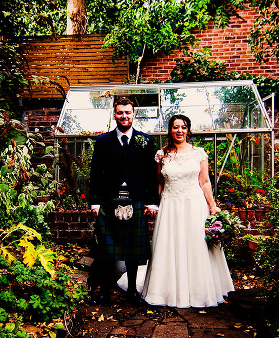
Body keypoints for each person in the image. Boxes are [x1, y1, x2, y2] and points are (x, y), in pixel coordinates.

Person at [141, 113, 234, 308]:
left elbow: (205, 181)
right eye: (175, 127)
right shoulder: (161, 155)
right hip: (170, 206)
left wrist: (213, 206)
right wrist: (153, 204)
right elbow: (159, 183)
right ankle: (166, 292)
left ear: (188, 130)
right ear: (170, 130)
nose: (179, 131)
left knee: (195, 247)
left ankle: (198, 291)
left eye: (183, 127)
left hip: (194, 205)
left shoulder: (198, 153)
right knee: (169, 246)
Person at [88, 96, 159, 304]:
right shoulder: (102, 141)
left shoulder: (146, 141)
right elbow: (95, 174)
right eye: (120, 112)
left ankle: (132, 292)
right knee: (107, 250)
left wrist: (152, 201)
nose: (124, 116)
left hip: (136, 199)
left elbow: (151, 175)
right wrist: (95, 202)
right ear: (114, 114)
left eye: (128, 112)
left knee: (132, 250)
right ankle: (104, 293)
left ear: (134, 114)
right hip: (109, 199)